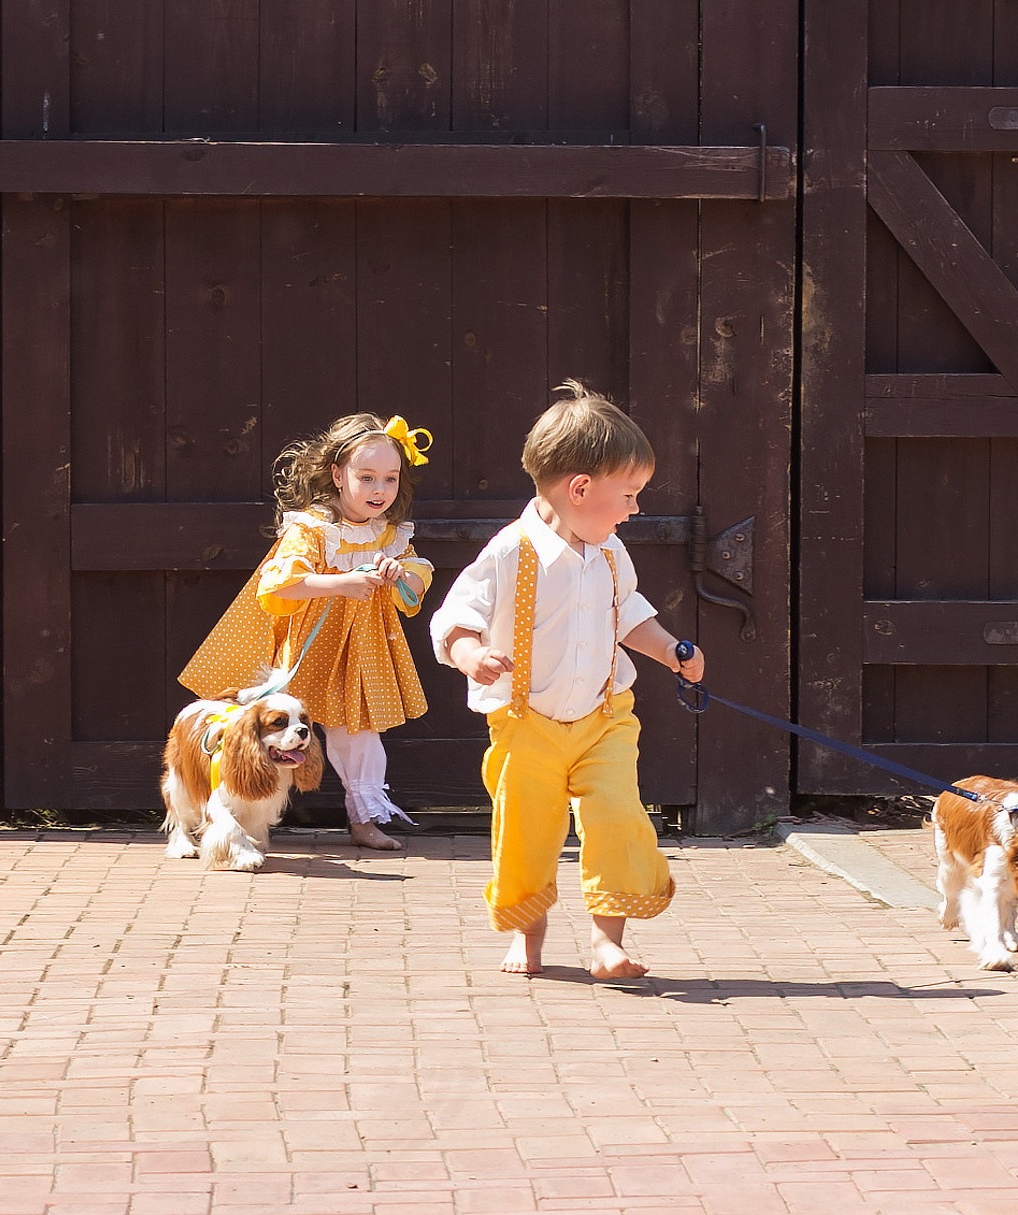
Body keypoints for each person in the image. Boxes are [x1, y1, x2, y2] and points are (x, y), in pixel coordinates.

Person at [429, 380, 705, 979]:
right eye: (628, 495)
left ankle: (608, 942)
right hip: (526, 725)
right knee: (527, 830)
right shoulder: (509, 551)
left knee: (619, 818)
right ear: (580, 489)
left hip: (604, 720)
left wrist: (669, 649)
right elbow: (455, 616)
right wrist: (471, 653)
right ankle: (530, 935)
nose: (635, 509)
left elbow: (628, 613)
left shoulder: (610, 553)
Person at [179, 414, 434, 851]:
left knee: (360, 734)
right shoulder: (312, 528)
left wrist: (398, 574)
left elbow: (415, 585)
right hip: (308, 648)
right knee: (271, 727)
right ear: (337, 475)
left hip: (363, 650)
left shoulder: (389, 533)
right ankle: (235, 813)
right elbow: (278, 585)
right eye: (367, 477)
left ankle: (365, 821)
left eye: (390, 479)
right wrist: (341, 583)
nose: (379, 490)